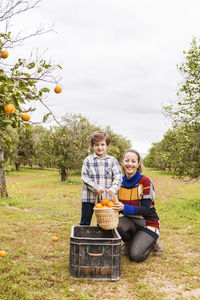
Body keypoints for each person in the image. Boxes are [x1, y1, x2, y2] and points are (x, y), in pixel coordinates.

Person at [113, 148, 163, 262]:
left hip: (148, 223)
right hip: (130, 221)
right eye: (127, 160)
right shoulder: (119, 182)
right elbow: (116, 204)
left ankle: (153, 241)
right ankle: (130, 242)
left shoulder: (144, 181)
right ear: (122, 162)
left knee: (136, 256)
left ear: (138, 164)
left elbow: (145, 209)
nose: (129, 164)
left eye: (133, 161)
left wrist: (124, 208)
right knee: (117, 225)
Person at [80, 131, 122, 225]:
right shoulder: (88, 160)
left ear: (107, 145)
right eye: (96, 145)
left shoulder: (112, 161)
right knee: (85, 222)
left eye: (102, 144)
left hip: (107, 198)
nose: (99, 147)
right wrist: (96, 187)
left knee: (104, 223)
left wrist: (114, 188)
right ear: (92, 146)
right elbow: (85, 177)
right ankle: (83, 238)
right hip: (89, 198)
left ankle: (102, 239)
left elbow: (118, 176)